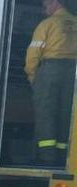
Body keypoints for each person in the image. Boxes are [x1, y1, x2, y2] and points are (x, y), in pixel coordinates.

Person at [25, 0, 77, 167]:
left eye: (45, 5)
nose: (44, 9)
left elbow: (33, 54)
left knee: (46, 114)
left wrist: (33, 77)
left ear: (54, 3)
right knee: (66, 115)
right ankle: (63, 156)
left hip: (50, 71)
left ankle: (46, 158)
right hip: (72, 74)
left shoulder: (47, 24)